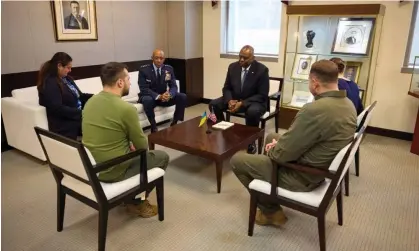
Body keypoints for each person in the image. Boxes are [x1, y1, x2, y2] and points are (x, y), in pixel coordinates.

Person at [230, 60, 357, 227]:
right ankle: (266, 185)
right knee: (272, 137)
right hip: (320, 168)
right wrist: (277, 145)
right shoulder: (349, 104)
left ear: (314, 82)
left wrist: (275, 150)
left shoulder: (314, 110)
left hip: (302, 177)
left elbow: (280, 155)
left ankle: (270, 211)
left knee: (237, 160)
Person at [82, 62, 169, 217]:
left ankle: (131, 197)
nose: (130, 82)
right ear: (120, 82)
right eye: (128, 78)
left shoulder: (90, 103)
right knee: (162, 157)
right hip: (113, 170)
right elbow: (143, 146)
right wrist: (132, 147)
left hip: (92, 166)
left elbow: (108, 133)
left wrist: (128, 144)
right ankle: (137, 201)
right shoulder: (126, 109)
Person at [209, 45, 269, 154]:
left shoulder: (262, 70)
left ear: (252, 58)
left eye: (245, 58)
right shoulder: (232, 67)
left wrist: (242, 103)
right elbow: (226, 87)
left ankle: (251, 142)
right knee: (214, 104)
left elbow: (262, 94)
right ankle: (224, 133)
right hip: (235, 99)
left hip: (254, 101)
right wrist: (229, 100)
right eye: (240, 56)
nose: (241, 59)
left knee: (252, 112)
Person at [37, 52, 93, 140]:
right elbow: (58, 108)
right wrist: (82, 113)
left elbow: (80, 96)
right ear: (59, 66)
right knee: (99, 121)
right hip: (66, 122)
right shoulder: (50, 83)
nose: (70, 70)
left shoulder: (67, 79)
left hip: (77, 116)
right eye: (68, 67)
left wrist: (98, 98)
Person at [138, 49, 187, 132]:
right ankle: (153, 126)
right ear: (152, 58)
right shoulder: (144, 70)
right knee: (147, 100)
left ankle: (175, 122)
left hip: (163, 97)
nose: (159, 60)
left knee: (182, 96)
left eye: (161, 58)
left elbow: (174, 86)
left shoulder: (168, 69)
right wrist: (158, 96)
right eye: (156, 58)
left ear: (164, 59)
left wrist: (170, 94)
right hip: (150, 96)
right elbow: (144, 88)